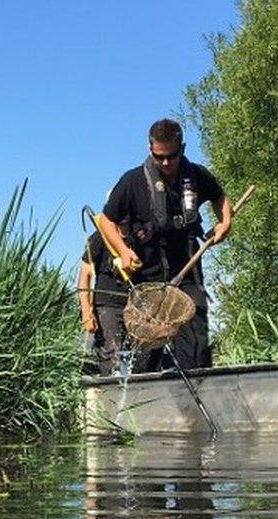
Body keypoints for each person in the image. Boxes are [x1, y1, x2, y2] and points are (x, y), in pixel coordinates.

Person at [98, 118, 231, 371]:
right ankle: (145, 402)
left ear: (182, 148)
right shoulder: (132, 181)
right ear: (150, 150)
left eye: (172, 156)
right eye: (160, 158)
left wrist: (225, 223)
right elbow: (106, 220)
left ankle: (196, 396)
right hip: (147, 284)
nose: (166, 163)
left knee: (196, 349)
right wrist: (124, 251)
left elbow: (220, 197)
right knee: (147, 357)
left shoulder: (197, 175)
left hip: (188, 278)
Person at [77, 230, 129, 376]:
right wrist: (86, 312)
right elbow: (84, 274)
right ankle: (109, 390)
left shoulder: (140, 232)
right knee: (110, 354)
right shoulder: (101, 236)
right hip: (107, 305)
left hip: (134, 305)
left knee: (141, 356)